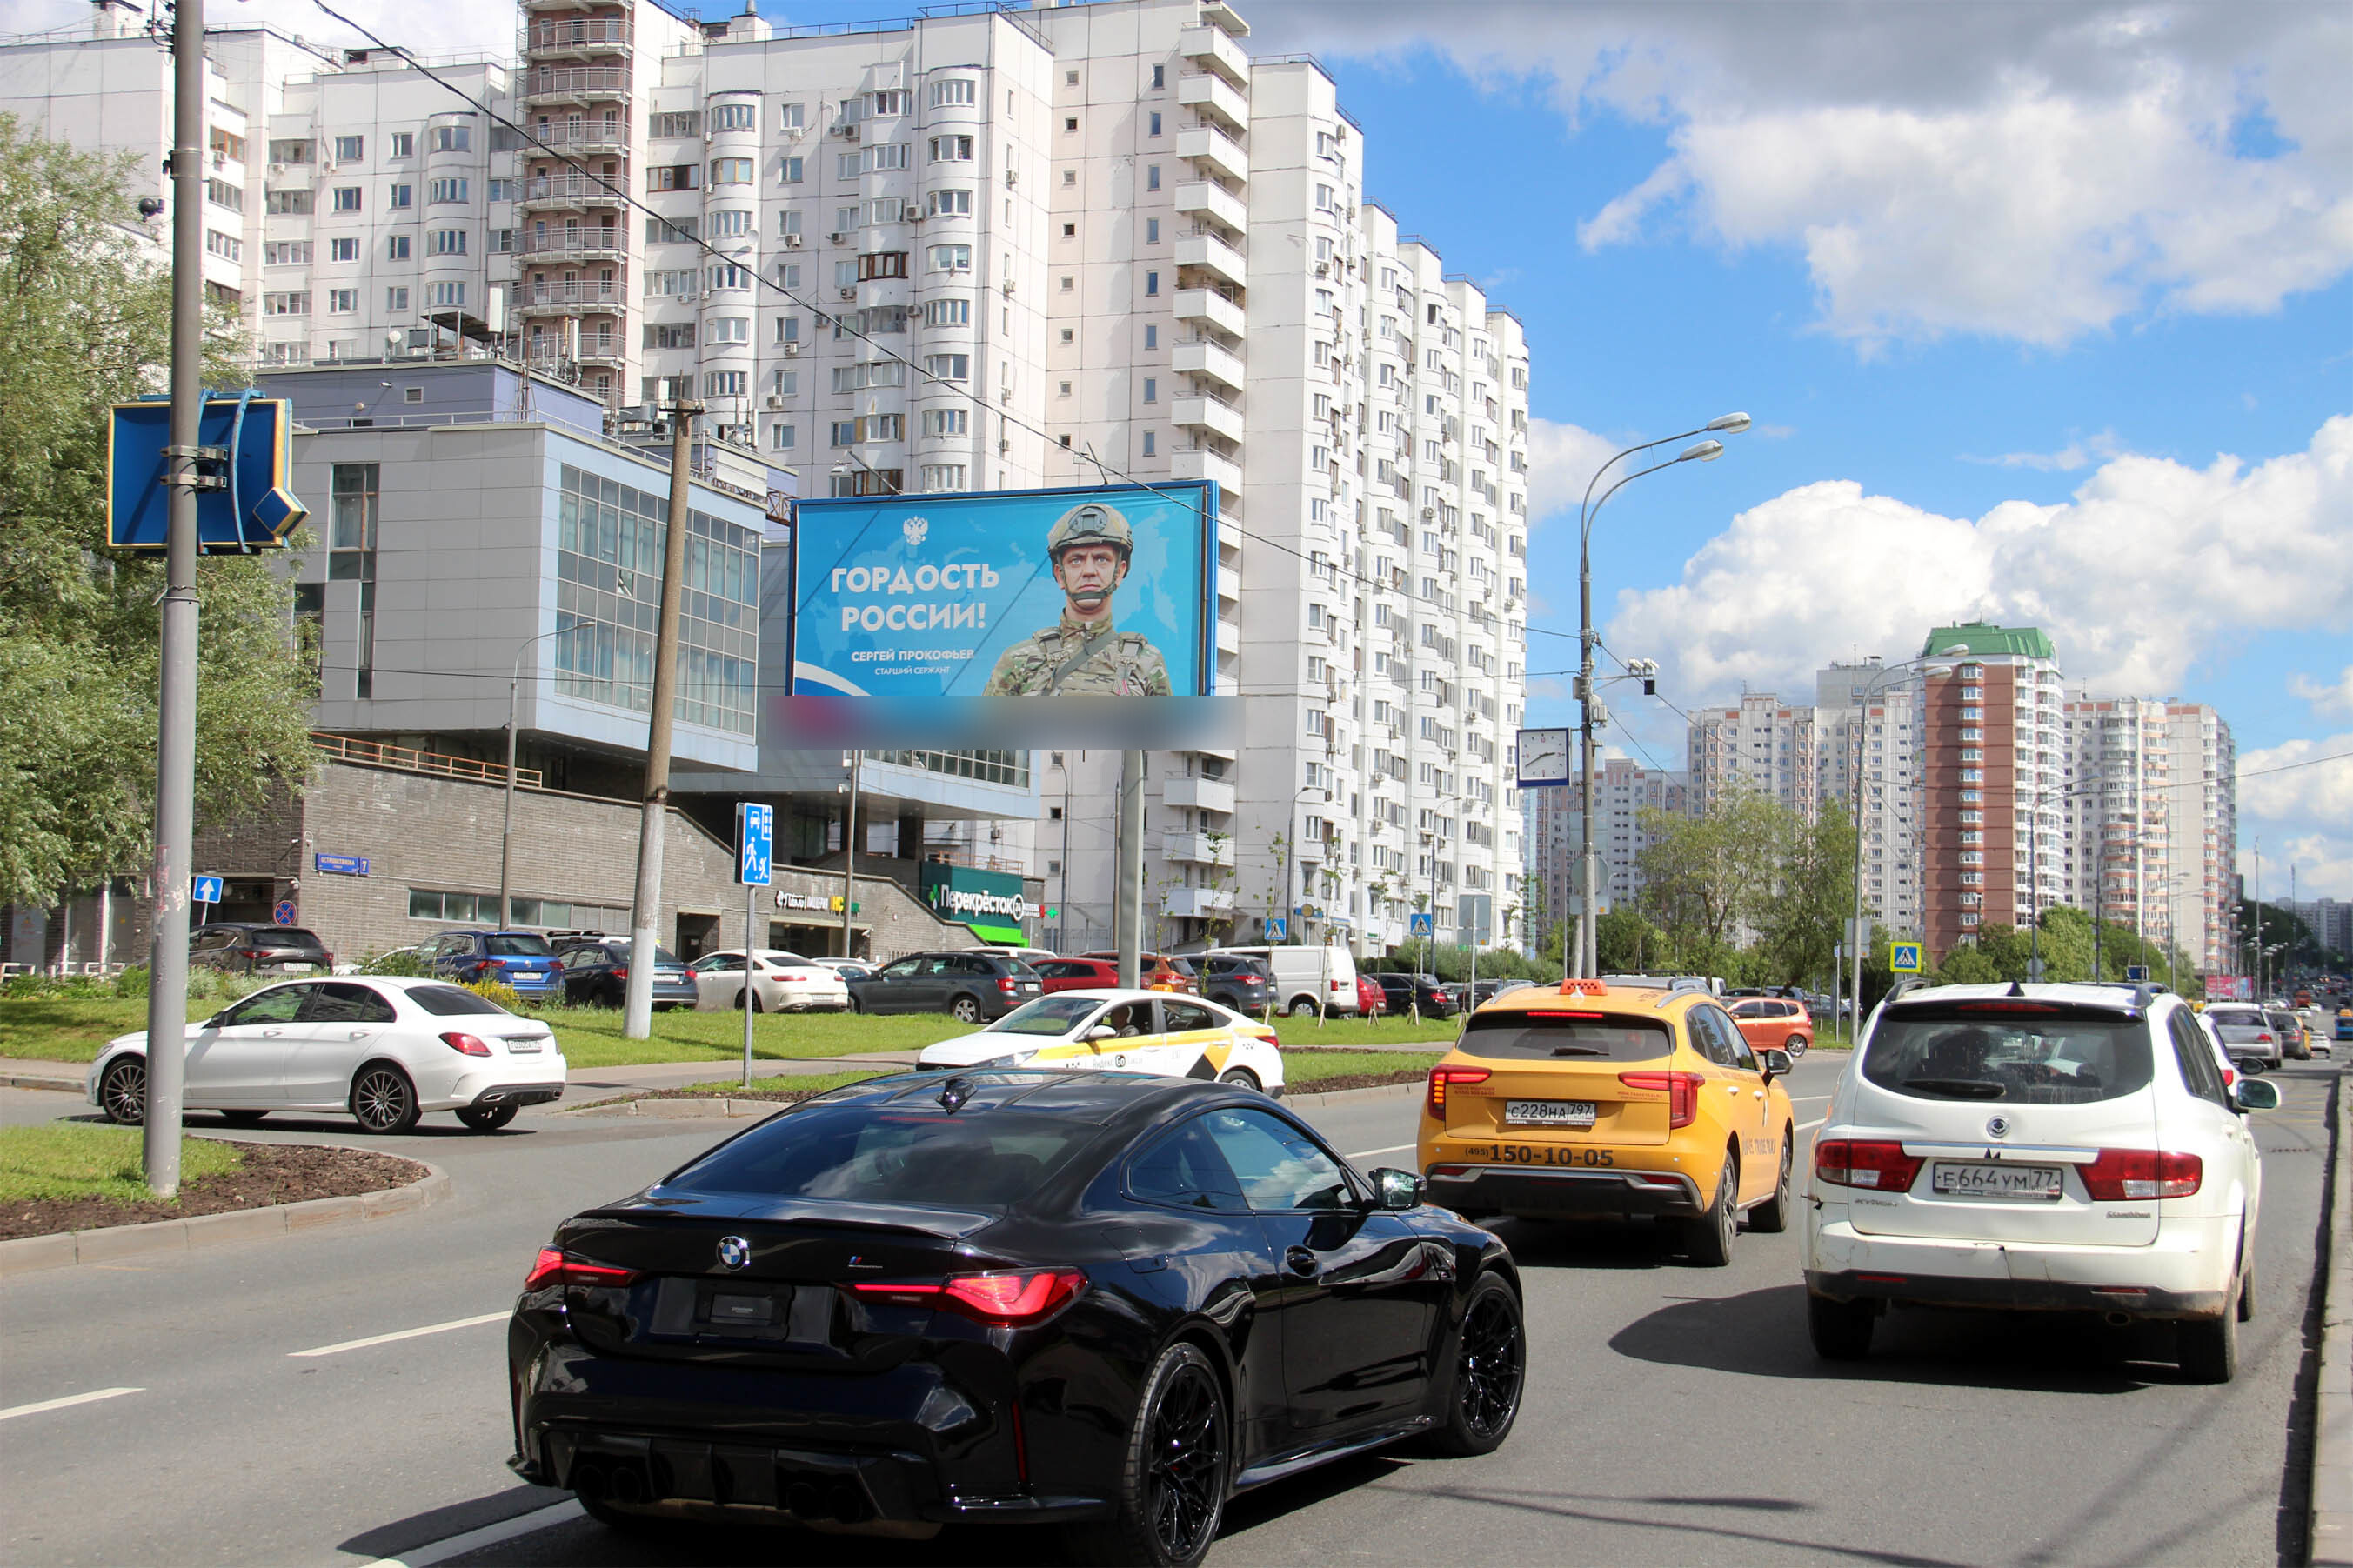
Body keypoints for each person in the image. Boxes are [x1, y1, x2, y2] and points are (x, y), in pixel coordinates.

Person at [980, 501, 1173, 695]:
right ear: (1059, 574)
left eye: (1101, 559)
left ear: (1119, 571)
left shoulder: (1147, 661)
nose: (1088, 571)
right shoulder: (1018, 661)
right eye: (1076, 560)